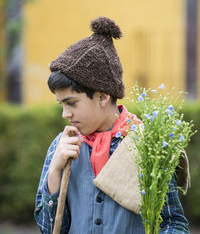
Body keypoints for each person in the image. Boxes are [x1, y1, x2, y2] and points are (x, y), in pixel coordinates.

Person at [34, 16, 190, 233]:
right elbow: (48, 229)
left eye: (71, 103)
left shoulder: (148, 146)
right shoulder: (62, 146)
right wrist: (54, 173)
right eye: (61, 104)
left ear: (103, 96)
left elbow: (174, 223)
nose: (65, 114)